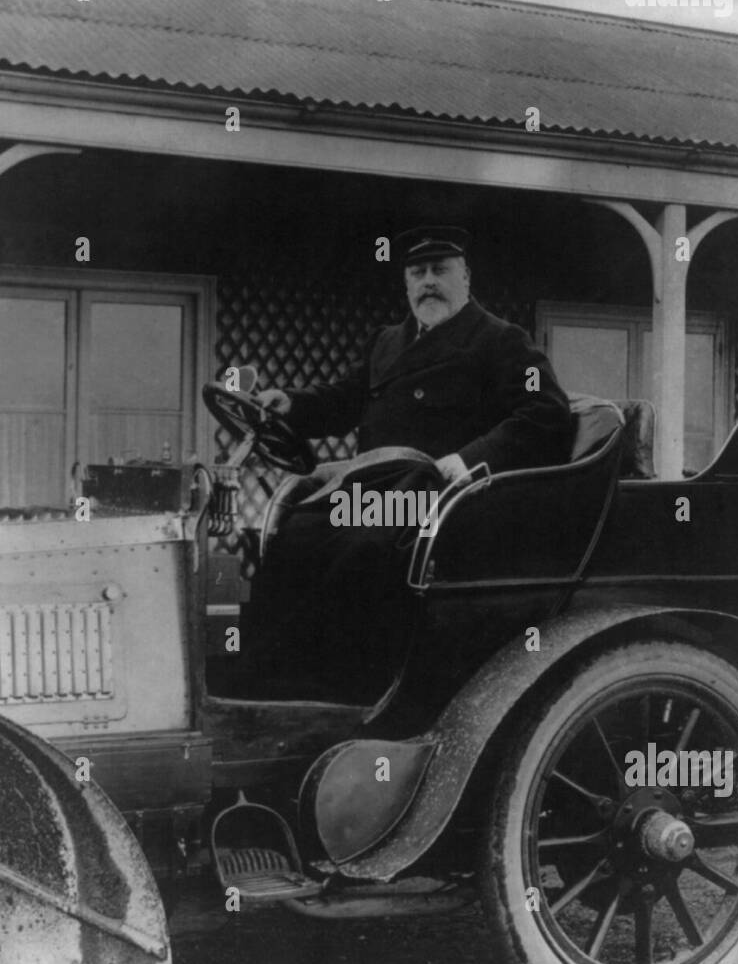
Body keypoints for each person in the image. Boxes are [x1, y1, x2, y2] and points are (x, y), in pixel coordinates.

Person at [242, 226, 573, 699]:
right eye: (417, 273)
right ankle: (277, 684)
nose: (428, 282)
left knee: (363, 551)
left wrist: (470, 459)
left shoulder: (501, 341)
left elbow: (546, 413)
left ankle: (353, 688)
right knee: (294, 535)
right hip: (377, 487)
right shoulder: (387, 342)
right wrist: (290, 404)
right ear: (406, 283)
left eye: (441, 270)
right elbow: (343, 399)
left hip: (444, 496)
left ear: (465, 278)